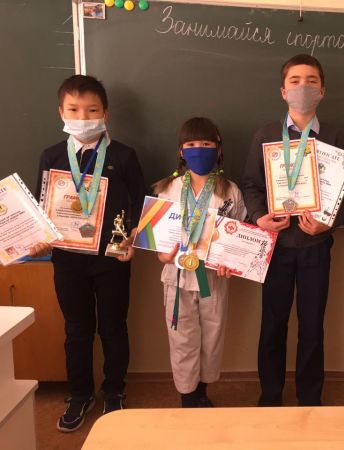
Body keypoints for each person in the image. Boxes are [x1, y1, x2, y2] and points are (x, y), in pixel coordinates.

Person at [31, 75, 145, 431]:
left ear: (105, 113)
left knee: (113, 327)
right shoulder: (51, 156)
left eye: (92, 110)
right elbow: (41, 208)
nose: (83, 117)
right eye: (74, 110)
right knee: (76, 330)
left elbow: (139, 205)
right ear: (61, 112)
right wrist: (40, 237)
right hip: (67, 260)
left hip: (112, 259)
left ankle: (114, 391)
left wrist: (133, 240)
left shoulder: (124, 155)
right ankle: (80, 394)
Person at [242, 54, 344, 406]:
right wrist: (258, 216)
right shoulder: (266, 134)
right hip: (276, 245)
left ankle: (310, 398)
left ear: (322, 90)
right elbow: (251, 184)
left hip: (315, 246)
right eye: (295, 81)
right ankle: (270, 396)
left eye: (311, 81)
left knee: (312, 326)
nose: (302, 87)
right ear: (283, 90)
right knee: (272, 325)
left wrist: (329, 222)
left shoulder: (336, 136)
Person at [154, 117, 246, 408]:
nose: (199, 149)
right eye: (192, 144)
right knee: (182, 338)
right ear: (181, 151)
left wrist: (230, 260)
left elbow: (239, 236)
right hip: (176, 277)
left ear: (218, 149)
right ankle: (188, 396)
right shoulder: (167, 189)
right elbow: (159, 242)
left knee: (212, 336)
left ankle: (202, 390)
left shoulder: (230, 191)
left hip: (213, 277)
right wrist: (162, 255)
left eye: (206, 143)